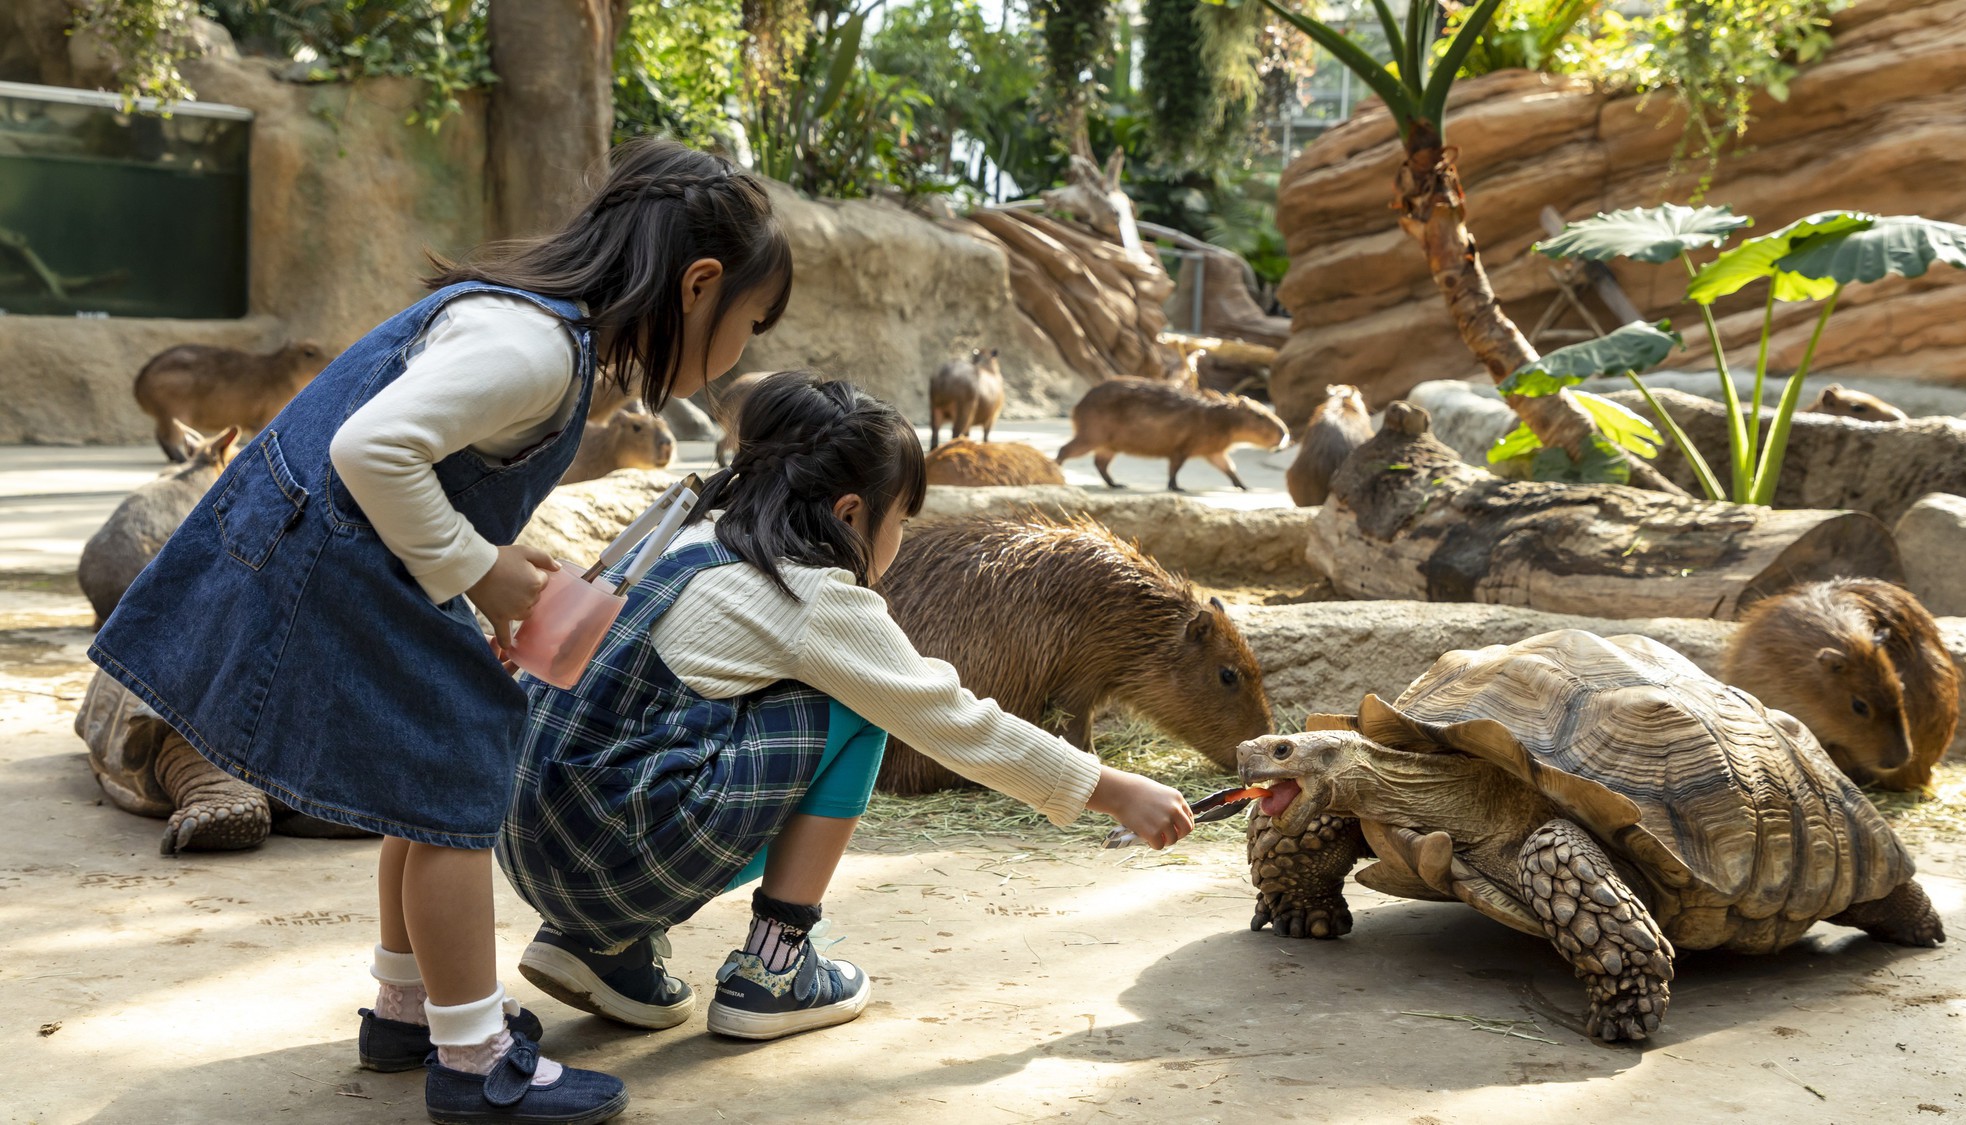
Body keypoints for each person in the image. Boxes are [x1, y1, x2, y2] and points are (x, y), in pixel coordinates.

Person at [87, 137, 792, 1125]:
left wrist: (485, 580)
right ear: (699, 284)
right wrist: (479, 569)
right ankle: (474, 1062)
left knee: (421, 788)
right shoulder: (534, 348)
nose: (741, 352)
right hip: (326, 568)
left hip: (336, 559)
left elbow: (418, 466)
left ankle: (410, 1008)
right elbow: (371, 448)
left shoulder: (531, 329)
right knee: (463, 776)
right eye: (748, 325)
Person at [499, 371, 1197, 1043]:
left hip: (528, 834)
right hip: (611, 857)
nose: (897, 539)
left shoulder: (691, 535)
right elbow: (948, 718)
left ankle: (598, 944)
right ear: (851, 514)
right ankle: (777, 965)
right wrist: (1111, 789)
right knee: (860, 705)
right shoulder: (814, 595)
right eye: (900, 519)